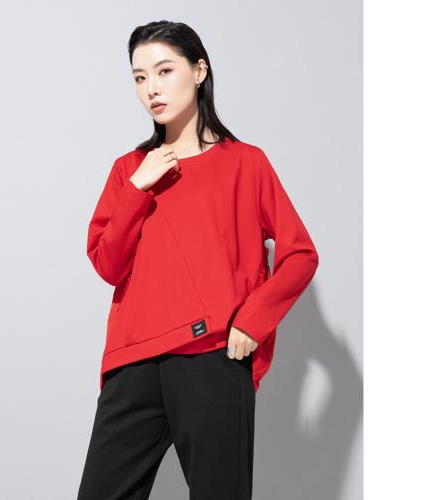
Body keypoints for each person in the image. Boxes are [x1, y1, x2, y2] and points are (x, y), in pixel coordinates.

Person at [77, 20, 319, 500]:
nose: (151, 88)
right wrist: (137, 189)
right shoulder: (129, 170)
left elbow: (300, 254)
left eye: (164, 71)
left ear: (200, 71)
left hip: (211, 357)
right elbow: (108, 264)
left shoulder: (245, 163)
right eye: (140, 77)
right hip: (134, 361)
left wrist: (253, 320)